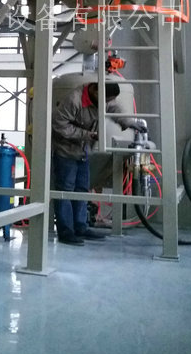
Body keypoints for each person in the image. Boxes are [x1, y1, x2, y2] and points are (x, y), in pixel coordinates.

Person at [51, 81, 145, 246]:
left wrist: (129, 122)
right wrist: (87, 135)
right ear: (95, 90)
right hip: (66, 151)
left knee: (82, 189)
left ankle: (81, 227)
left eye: (109, 100)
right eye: (106, 99)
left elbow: (114, 108)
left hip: (83, 151)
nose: (107, 103)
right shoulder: (74, 100)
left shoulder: (102, 97)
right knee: (65, 191)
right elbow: (59, 125)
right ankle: (66, 231)